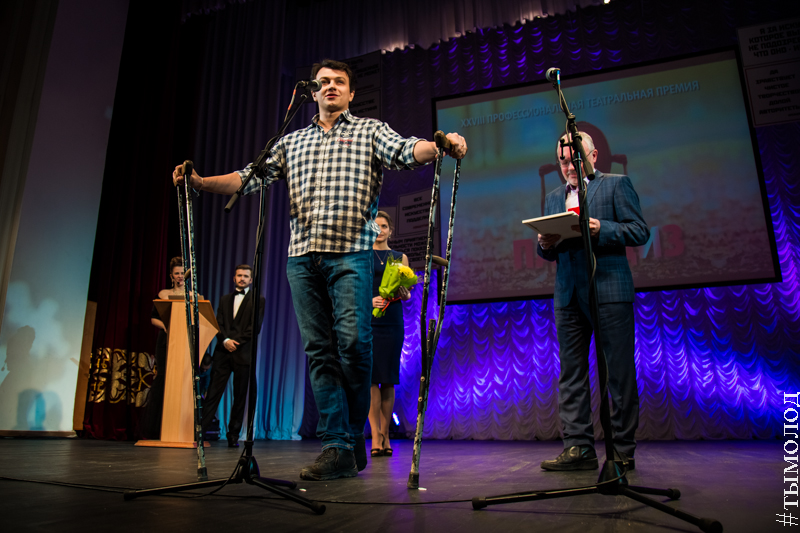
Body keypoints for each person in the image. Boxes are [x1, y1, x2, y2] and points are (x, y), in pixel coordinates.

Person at [172, 59, 467, 480]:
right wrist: (200, 183)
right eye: (323, 82)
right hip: (302, 259)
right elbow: (247, 178)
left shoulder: (369, 131)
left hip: (350, 254)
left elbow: (407, 150)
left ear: (350, 93)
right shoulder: (291, 142)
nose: (330, 87)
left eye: (339, 82)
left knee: (354, 344)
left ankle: (349, 435)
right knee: (319, 351)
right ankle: (337, 445)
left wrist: (439, 146)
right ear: (312, 92)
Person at [537, 131, 648, 471]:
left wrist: (603, 228)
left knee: (618, 373)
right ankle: (579, 448)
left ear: (593, 156)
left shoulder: (616, 185)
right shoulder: (554, 198)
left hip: (609, 291)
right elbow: (549, 252)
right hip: (568, 294)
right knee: (571, 374)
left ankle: (622, 449)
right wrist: (544, 244)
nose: (569, 167)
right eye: (563, 162)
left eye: (575, 159)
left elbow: (639, 230)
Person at [202, 264, 265, 447]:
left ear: (251, 280)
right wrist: (225, 340)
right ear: (234, 278)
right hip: (222, 353)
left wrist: (234, 341)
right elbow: (218, 323)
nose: (242, 278)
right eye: (239, 275)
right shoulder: (224, 299)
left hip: (243, 353)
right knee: (212, 394)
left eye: (245, 276)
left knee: (240, 397)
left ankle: (233, 436)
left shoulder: (258, 299)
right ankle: (200, 433)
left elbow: (255, 327)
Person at [368, 211, 411, 458]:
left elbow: (406, 292)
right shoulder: (363, 256)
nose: (380, 230)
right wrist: (368, 300)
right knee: (372, 378)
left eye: (384, 226)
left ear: (391, 230)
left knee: (388, 378)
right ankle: (375, 434)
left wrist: (406, 294)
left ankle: (385, 434)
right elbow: (355, 289)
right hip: (370, 321)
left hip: (393, 321)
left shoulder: (399, 257)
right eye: (376, 226)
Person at [141, 256, 184, 439]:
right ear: (171, 276)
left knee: (182, 379)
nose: (180, 276)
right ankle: (156, 428)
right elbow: (153, 318)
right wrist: (167, 326)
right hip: (166, 340)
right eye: (177, 273)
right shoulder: (163, 294)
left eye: (182, 273)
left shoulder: (194, 296)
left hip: (184, 340)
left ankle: (180, 427)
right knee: (164, 377)